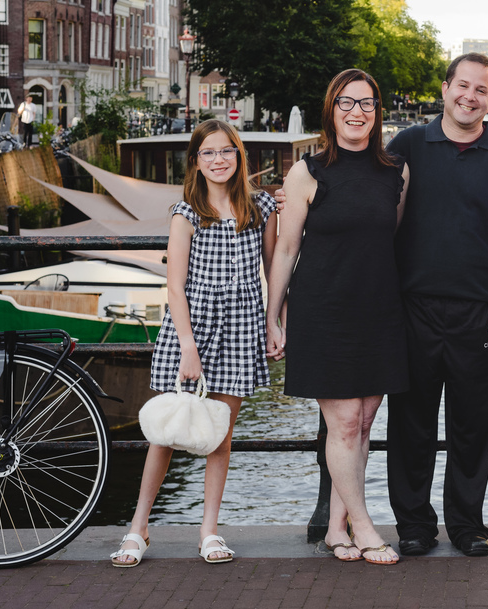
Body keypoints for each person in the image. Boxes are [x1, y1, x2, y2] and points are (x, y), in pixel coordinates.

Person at [110, 119, 278, 567]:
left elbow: (274, 269)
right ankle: (138, 528)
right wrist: (188, 345)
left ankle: (209, 531)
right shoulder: (187, 211)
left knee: (218, 433)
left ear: (239, 156)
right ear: (196, 161)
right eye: (209, 153)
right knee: (166, 433)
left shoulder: (260, 207)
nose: (219, 160)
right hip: (194, 327)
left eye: (226, 151)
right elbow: (176, 286)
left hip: (242, 325)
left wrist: (276, 321)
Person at [266, 69, 409, 566]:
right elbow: (286, 249)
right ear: (331, 110)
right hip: (323, 309)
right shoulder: (308, 172)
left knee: (364, 423)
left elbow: (387, 236)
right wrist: (273, 316)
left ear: (377, 111)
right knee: (345, 423)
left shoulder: (396, 171)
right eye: (347, 103)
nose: (357, 112)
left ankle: (335, 527)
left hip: (378, 307)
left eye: (367, 103)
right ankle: (365, 528)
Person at [385, 53, 488, 558]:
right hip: (413, 306)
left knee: (473, 424)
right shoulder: (408, 145)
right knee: (411, 423)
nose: (469, 96)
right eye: (461, 85)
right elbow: (377, 208)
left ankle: (466, 524)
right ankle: (415, 525)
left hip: (480, 311)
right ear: (444, 89)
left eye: (480, 89)